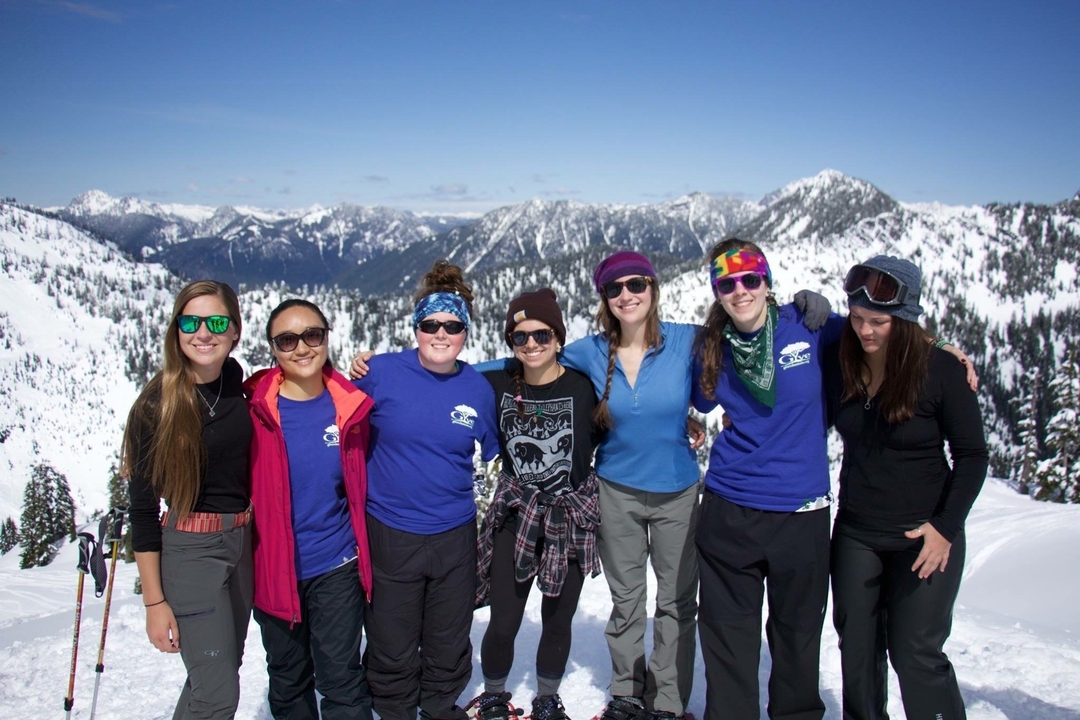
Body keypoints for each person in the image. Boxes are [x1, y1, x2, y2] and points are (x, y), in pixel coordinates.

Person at [691, 239, 845, 720]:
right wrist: (684, 422)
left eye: (750, 279)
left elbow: (879, 333)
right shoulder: (711, 348)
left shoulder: (811, 329)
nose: (740, 292)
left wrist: (940, 346)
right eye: (727, 283)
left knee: (797, 639)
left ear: (767, 281)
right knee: (727, 639)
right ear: (717, 291)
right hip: (729, 509)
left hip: (801, 513)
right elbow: (680, 393)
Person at [830, 256, 988, 720]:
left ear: (905, 318)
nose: (866, 331)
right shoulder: (841, 357)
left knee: (915, 652)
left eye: (878, 321)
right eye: (857, 319)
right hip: (857, 532)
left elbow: (973, 457)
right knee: (857, 652)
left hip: (925, 536)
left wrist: (945, 527)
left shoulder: (939, 371)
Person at [354, 259, 501, 720]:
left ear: (466, 332)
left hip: (454, 533)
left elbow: (500, 447)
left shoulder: (477, 389)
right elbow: (326, 409)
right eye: (430, 324)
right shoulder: (378, 373)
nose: (441, 333)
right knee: (391, 636)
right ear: (415, 327)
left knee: (448, 634)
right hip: (391, 530)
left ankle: (439, 707)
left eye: (453, 325)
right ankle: (394, 709)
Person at [469, 289, 604, 720]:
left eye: (542, 335)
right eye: (519, 337)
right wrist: (369, 365)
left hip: (570, 518)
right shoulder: (496, 384)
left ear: (559, 338)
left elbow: (633, 414)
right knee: (505, 618)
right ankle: (493, 695)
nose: (531, 345)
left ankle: (546, 697)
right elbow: (443, 375)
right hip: (517, 516)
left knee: (558, 618)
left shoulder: (585, 388)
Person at [122, 280, 254, 720]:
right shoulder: (156, 405)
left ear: (234, 331)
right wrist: (154, 603)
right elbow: (142, 512)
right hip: (191, 554)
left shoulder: (236, 383)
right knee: (218, 695)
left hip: (242, 546)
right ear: (176, 330)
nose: (203, 333)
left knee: (217, 676)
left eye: (216, 321)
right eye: (190, 322)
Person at [244, 299, 375, 719]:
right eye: (287, 340)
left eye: (312, 335)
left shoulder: (350, 406)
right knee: (287, 679)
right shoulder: (254, 410)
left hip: (335, 564)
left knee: (340, 678)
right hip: (272, 566)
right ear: (273, 348)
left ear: (326, 337)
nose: (302, 347)